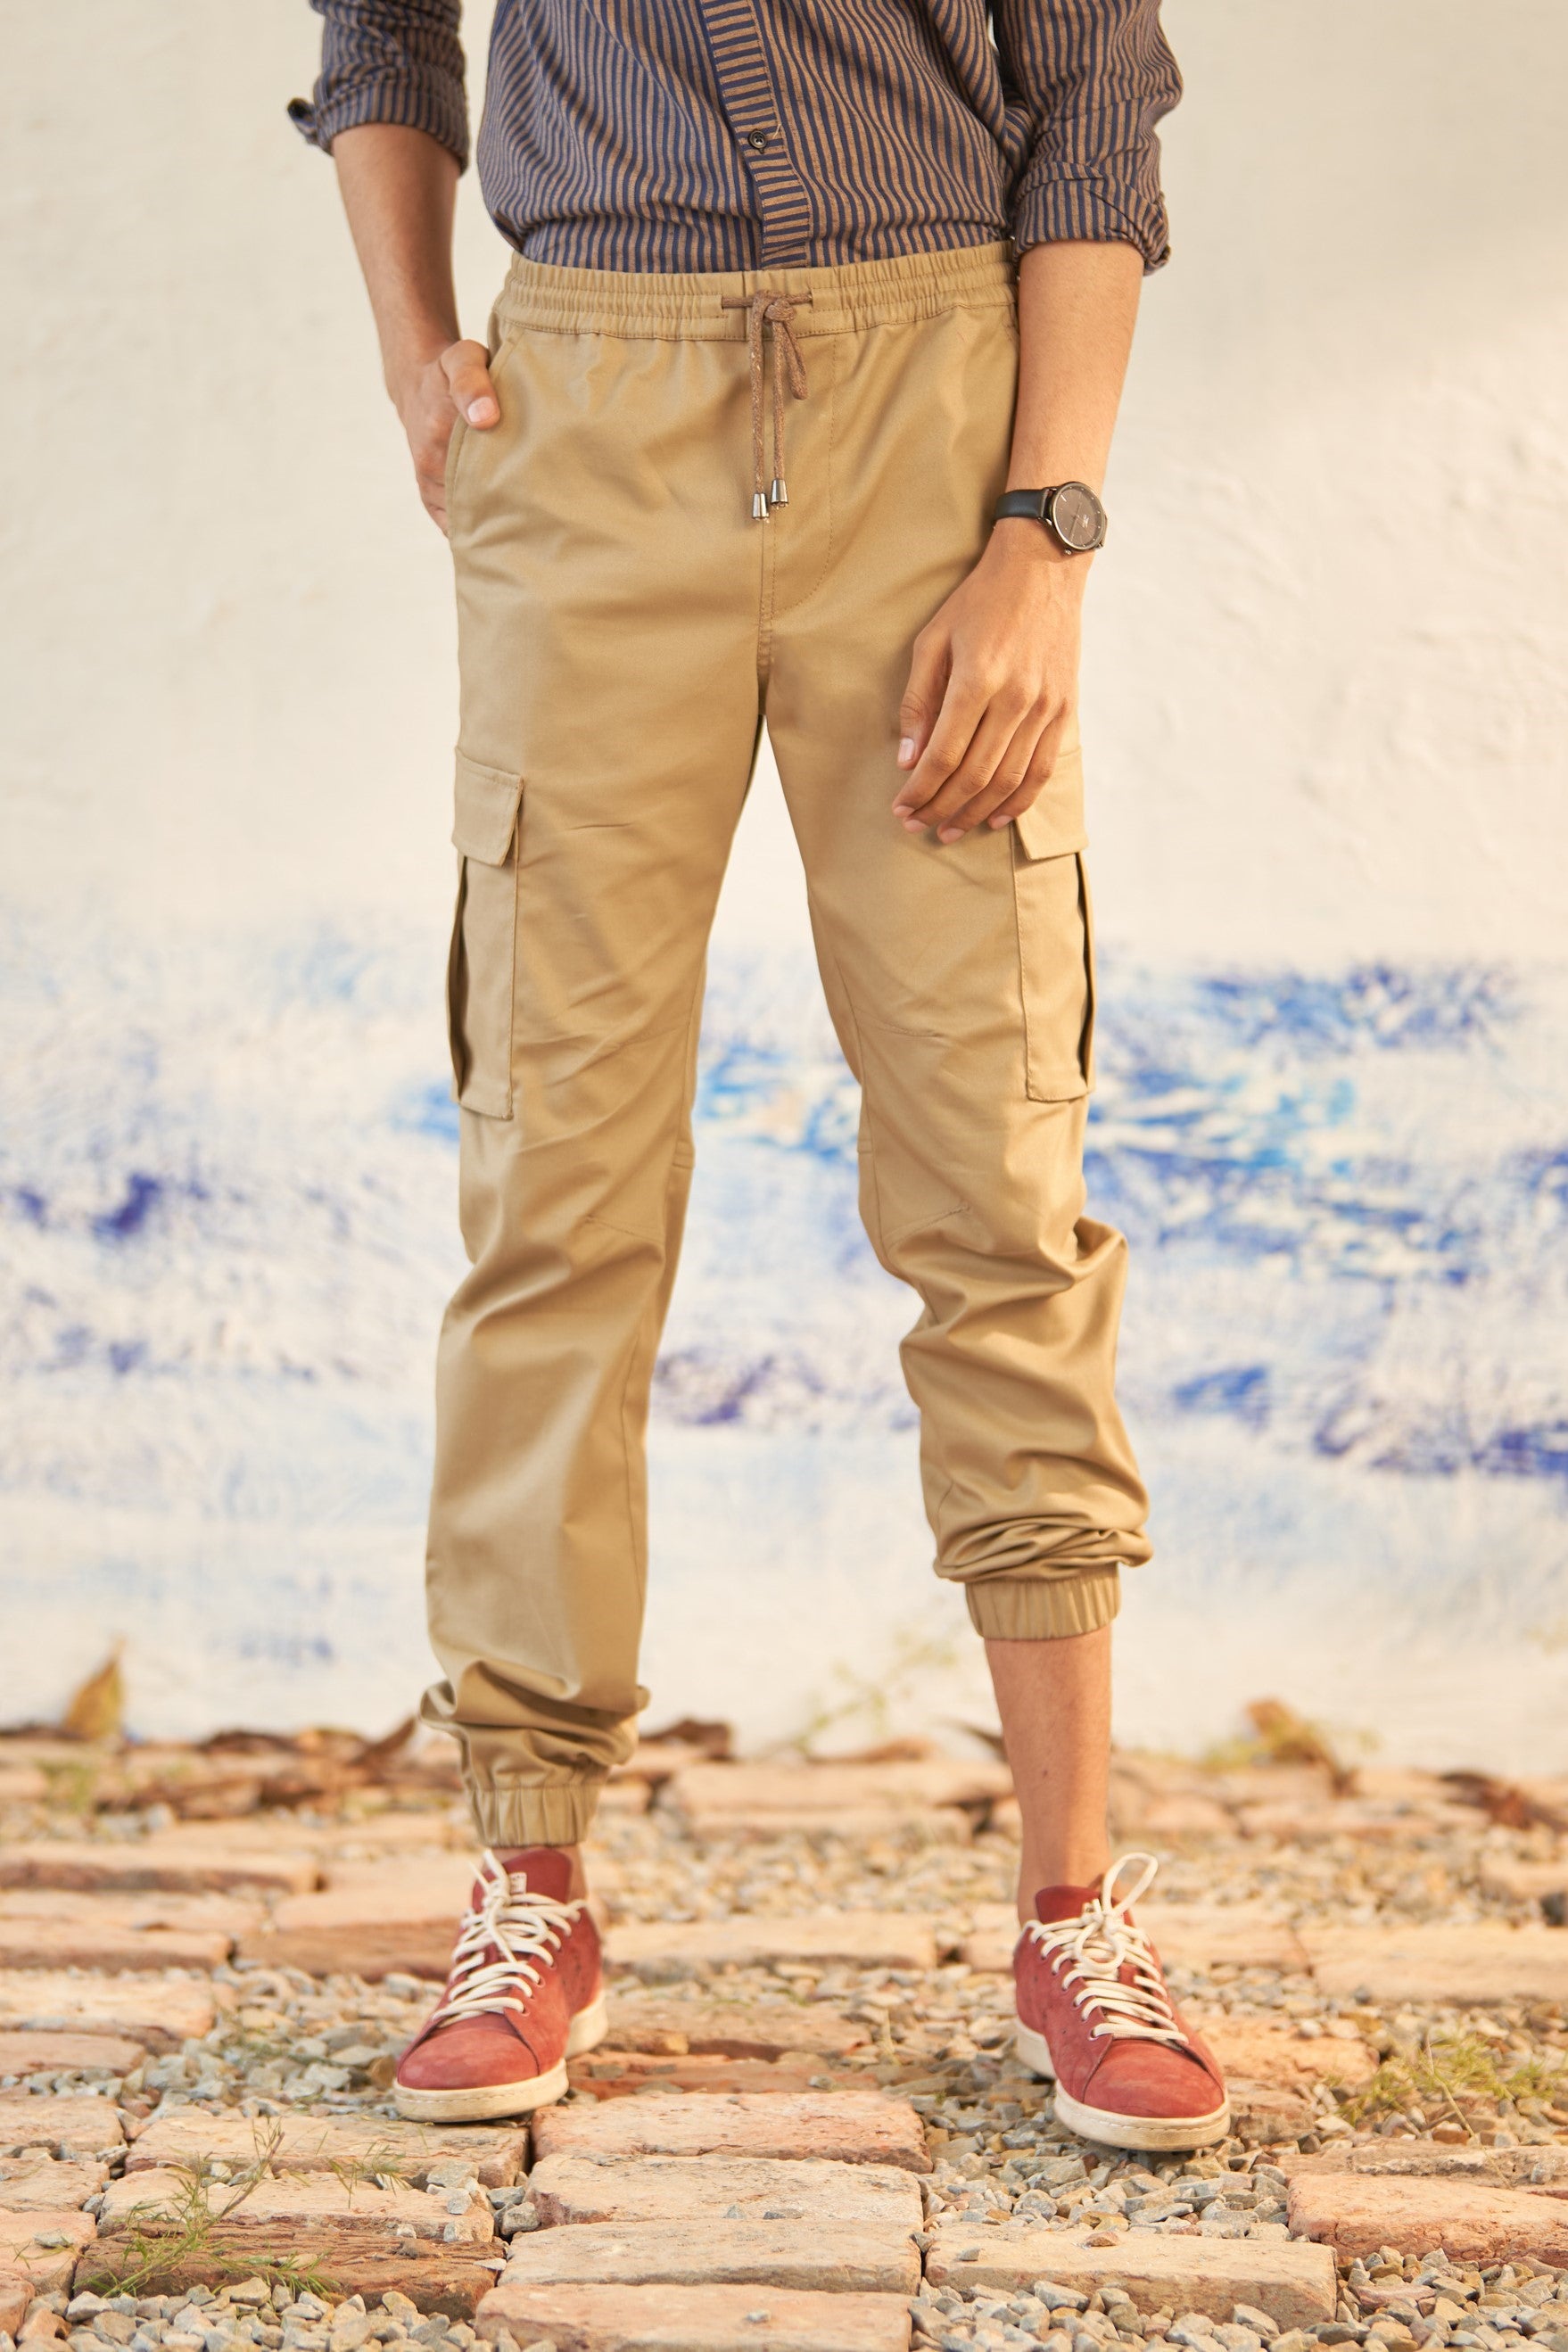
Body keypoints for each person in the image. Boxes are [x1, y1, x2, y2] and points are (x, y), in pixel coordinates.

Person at [290, 0, 1229, 2153]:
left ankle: (1075, 1905)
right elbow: (379, 28)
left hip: (941, 424)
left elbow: (1096, 90)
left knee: (995, 1171)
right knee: (557, 1181)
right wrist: (418, 351)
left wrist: (1048, 527)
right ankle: (530, 1882)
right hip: (587, 421)